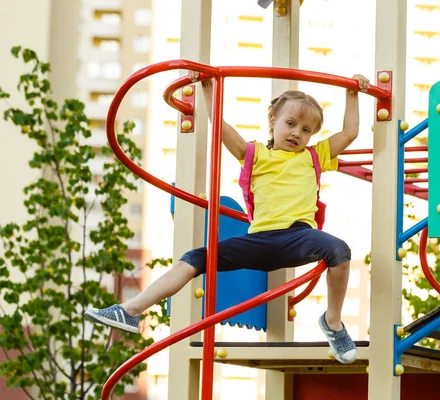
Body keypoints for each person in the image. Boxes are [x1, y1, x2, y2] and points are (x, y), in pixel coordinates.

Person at [85, 72, 370, 364]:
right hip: (259, 240)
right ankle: (131, 310)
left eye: (307, 129)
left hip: (298, 237)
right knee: (195, 258)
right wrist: (209, 89)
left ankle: (333, 323)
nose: (298, 132)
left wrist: (353, 93)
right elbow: (220, 127)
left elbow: (349, 133)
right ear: (272, 120)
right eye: (291, 123)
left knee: (339, 250)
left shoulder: (314, 156)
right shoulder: (255, 155)